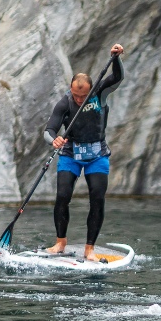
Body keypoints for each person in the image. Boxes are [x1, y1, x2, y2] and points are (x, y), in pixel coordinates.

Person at [44, 44, 125, 261]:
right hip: (71, 154)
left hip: (97, 155)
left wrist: (115, 58)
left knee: (97, 198)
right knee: (62, 196)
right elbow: (49, 129)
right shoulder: (65, 102)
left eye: (83, 96)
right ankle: (60, 242)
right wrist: (55, 139)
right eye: (75, 95)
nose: (79, 100)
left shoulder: (100, 93)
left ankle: (90, 249)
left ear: (90, 89)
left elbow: (117, 77)